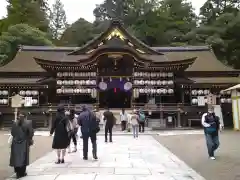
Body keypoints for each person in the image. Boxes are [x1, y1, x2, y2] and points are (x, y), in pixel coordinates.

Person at [10, 112, 34, 179]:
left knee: (16, 157)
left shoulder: (15, 123)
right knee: (23, 157)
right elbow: (31, 133)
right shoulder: (28, 123)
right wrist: (30, 139)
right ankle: (22, 173)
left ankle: (17, 172)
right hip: (24, 142)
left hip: (15, 142)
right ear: (25, 117)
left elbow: (12, 133)